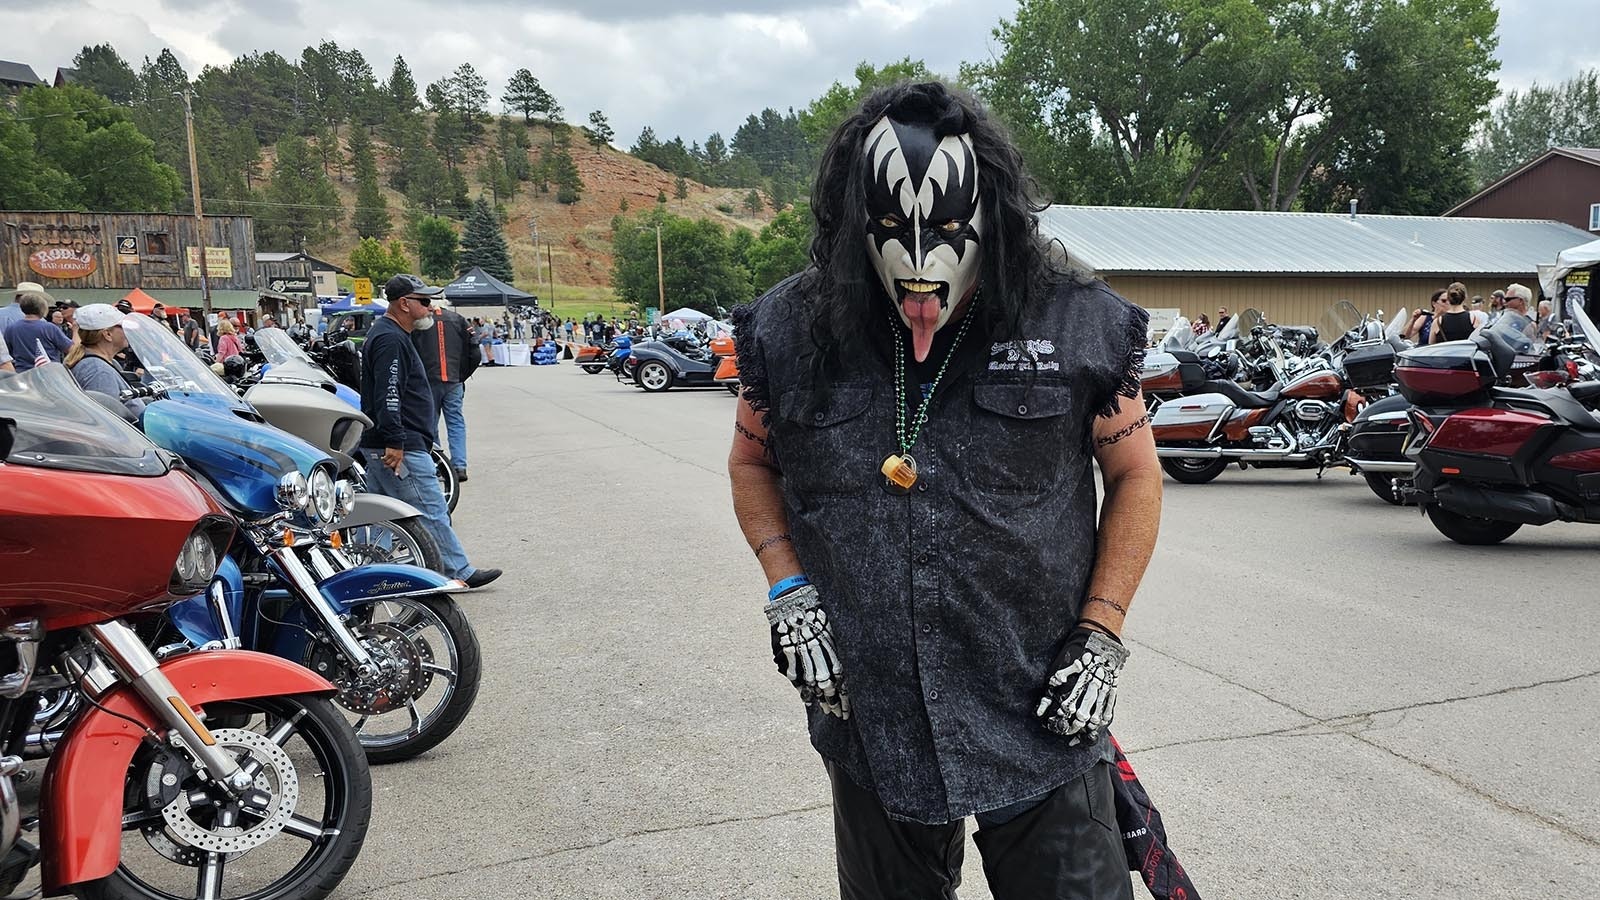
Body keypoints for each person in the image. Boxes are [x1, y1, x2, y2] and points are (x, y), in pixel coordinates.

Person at [728, 81, 1171, 900]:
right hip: (873, 714)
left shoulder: (1071, 317)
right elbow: (753, 461)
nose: (923, 267)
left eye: (949, 236)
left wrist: (1103, 634)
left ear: (990, 215)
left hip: (1040, 710)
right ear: (854, 219)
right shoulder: (792, 328)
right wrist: (787, 588)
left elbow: (1136, 473)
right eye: (893, 234)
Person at [359, 274, 499, 588]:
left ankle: (363, 574)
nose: (430, 308)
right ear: (404, 304)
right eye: (423, 302)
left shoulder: (392, 334)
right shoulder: (390, 338)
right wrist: (395, 439)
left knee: (378, 519)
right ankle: (457, 570)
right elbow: (389, 391)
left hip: (393, 440)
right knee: (430, 510)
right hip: (399, 443)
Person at [411, 299, 479, 484]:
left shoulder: (420, 322)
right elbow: (475, 352)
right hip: (453, 379)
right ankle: (459, 465)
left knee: (430, 424)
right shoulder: (458, 320)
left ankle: (439, 466)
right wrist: (462, 375)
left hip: (429, 381)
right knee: (456, 422)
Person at [65, 304, 145, 422]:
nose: (127, 331)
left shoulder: (100, 362)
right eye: (123, 327)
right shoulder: (98, 371)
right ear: (107, 334)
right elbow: (107, 421)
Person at [3, 291, 72, 371]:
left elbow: (7, 353)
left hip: (22, 375)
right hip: (49, 374)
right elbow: (70, 349)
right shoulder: (49, 328)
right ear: (42, 308)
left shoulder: (11, 328)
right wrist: (75, 330)